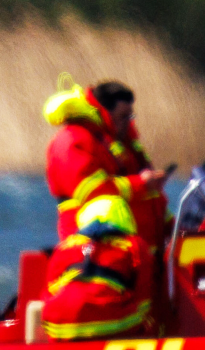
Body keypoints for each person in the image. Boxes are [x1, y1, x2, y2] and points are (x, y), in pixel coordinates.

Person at [43, 76, 169, 251]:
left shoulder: (118, 143)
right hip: (95, 250)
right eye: (123, 116)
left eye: (131, 116)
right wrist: (143, 184)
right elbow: (92, 190)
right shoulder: (72, 140)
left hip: (137, 252)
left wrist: (174, 227)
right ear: (103, 111)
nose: (130, 122)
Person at [42, 196, 152, 341]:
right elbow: (144, 297)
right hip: (107, 323)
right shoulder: (134, 244)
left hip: (58, 325)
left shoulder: (65, 246)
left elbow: (49, 291)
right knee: (141, 318)